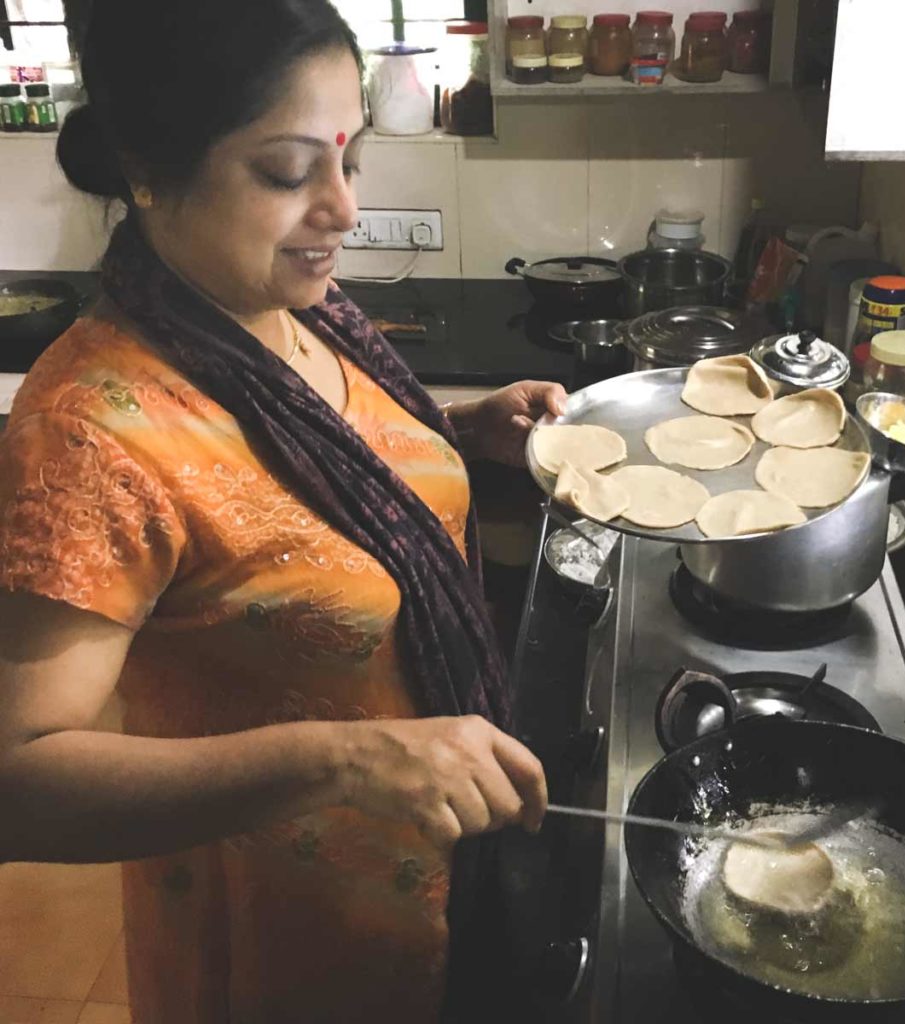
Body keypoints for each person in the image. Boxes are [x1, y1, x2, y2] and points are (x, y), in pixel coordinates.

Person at [0, 2, 562, 1021]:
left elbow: (313, 462)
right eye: (287, 172)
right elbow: (14, 777)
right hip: (285, 942)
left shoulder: (283, 312)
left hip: (431, 894)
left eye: (350, 160)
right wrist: (344, 758)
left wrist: (458, 427)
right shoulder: (89, 431)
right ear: (148, 170)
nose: (343, 210)